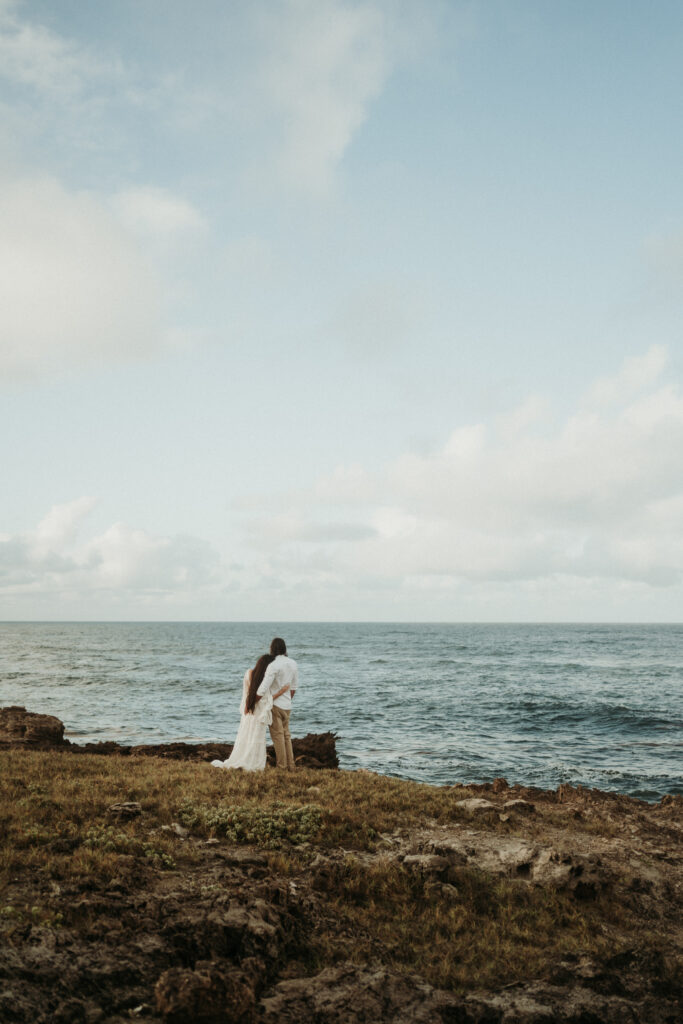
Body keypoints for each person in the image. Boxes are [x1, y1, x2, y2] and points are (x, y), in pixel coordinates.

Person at [211, 653, 289, 771]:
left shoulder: (249, 673)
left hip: (249, 711)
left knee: (245, 737)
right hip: (259, 714)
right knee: (256, 740)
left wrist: (247, 706)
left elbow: (248, 694)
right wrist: (281, 692)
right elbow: (267, 700)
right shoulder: (266, 680)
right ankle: (252, 762)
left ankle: (242, 758)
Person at [257, 637, 298, 770]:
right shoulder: (293, 663)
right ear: (284, 648)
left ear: (272, 649)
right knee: (286, 736)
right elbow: (293, 688)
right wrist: (288, 700)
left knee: (278, 737)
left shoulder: (273, 665)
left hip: (274, 704)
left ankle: (281, 766)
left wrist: (254, 701)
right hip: (287, 705)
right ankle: (291, 765)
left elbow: (262, 689)